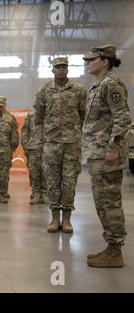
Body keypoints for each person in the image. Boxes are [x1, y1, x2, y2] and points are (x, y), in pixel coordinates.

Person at [82, 44, 131, 267]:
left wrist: (113, 148)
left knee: (110, 203)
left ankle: (115, 251)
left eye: (92, 59)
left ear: (104, 61)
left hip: (107, 155)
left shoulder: (111, 84)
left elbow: (123, 119)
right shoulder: (98, 86)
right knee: (102, 202)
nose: (88, 62)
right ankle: (111, 247)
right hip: (98, 155)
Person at [34, 57, 86, 233]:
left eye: (64, 67)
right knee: (52, 181)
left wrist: (80, 137)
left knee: (70, 182)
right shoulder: (44, 90)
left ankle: (67, 218)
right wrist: (39, 141)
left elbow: (83, 114)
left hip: (72, 144)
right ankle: (55, 218)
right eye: (58, 67)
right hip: (51, 143)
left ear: (68, 69)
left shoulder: (78, 90)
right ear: (53, 70)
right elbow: (38, 118)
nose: (61, 70)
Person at [21, 109, 46, 204]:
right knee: (34, 171)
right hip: (33, 147)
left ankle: (45, 193)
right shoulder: (30, 115)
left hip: (47, 147)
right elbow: (25, 131)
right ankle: (36, 193)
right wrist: (25, 146)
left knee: (46, 172)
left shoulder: (50, 113)